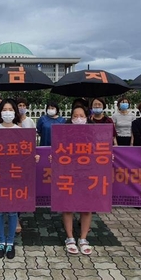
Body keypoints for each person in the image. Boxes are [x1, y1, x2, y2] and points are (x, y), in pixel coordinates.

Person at [0, 98, 22, 259]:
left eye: (10, 109)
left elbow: (25, 152)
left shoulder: (20, 130)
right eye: (4, 109)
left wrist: (33, 157)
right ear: (0, 112)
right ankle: (1, 241)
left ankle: (10, 242)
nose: (7, 112)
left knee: (12, 210)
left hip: (14, 174)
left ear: (14, 112)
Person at [61, 104, 94, 255]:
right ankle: (69, 237)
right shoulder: (65, 133)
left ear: (87, 118)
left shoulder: (93, 134)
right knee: (67, 205)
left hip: (87, 174)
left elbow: (100, 151)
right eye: (75, 116)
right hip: (69, 173)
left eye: (81, 116)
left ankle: (83, 238)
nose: (78, 118)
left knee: (86, 206)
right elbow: (59, 150)